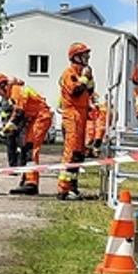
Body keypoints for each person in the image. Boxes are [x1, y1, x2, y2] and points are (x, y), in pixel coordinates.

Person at [0, 74, 51, 196]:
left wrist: (5, 130)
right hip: (35, 118)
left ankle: (31, 183)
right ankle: (26, 179)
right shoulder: (15, 91)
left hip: (40, 117)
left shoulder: (16, 92)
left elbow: (18, 113)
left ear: (2, 86)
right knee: (25, 149)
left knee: (30, 148)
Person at [56, 43, 96, 199]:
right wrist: (85, 77)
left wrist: (89, 78)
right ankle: (63, 190)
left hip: (81, 114)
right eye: (84, 55)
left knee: (79, 154)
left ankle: (73, 187)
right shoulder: (69, 73)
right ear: (76, 57)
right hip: (72, 115)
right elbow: (75, 91)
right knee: (71, 153)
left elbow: (90, 91)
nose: (87, 58)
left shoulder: (81, 74)